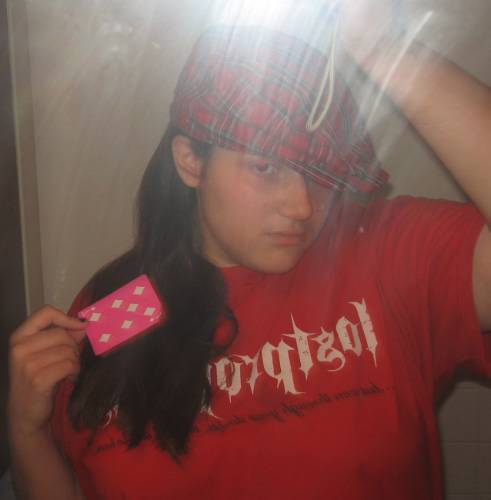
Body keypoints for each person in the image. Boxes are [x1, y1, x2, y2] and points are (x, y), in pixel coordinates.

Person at [7, 1, 491, 499]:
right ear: (191, 162)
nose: (303, 206)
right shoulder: (125, 304)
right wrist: (27, 431)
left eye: (320, 174)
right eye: (266, 167)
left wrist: (384, 48)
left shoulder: (386, 255)